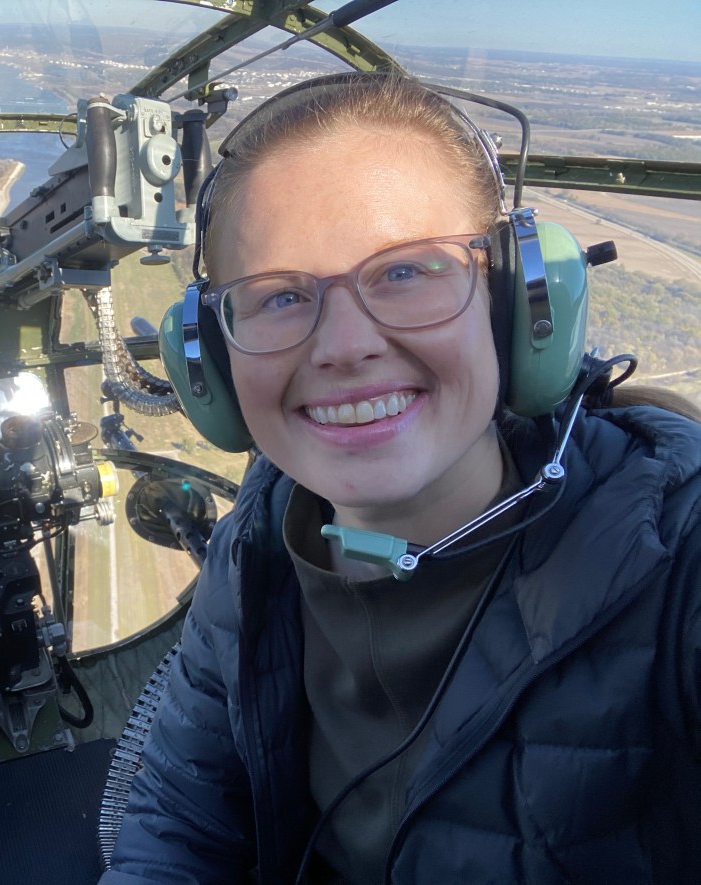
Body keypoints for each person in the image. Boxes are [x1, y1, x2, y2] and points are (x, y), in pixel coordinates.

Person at [100, 72, 701, 884]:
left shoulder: (675, 553)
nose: (345, 346)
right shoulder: (256, 541)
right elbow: (180, 820)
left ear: (516, 304)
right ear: (208, 354)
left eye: (407, 272)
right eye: (280, 296)